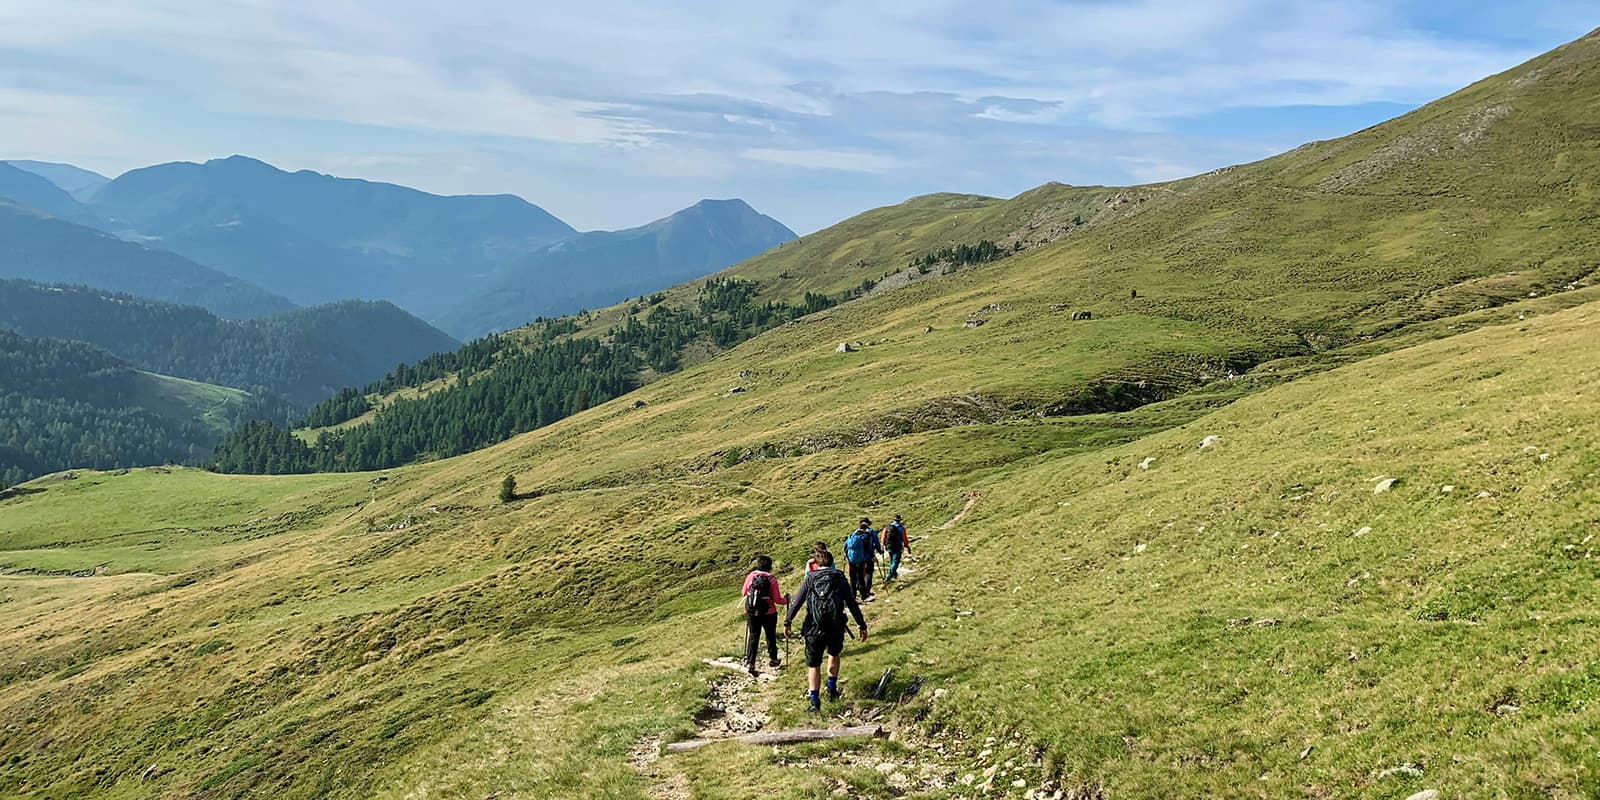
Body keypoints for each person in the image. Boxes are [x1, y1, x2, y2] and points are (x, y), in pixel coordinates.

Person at [784, 550, 867, 713]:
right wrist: (861, 625)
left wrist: (788, 621)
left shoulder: (810, 578)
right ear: (831, 562)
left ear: (816, 564)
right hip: (835, 626)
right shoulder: (839, 577)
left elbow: (797, 602)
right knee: (833, 655)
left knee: (813, 665)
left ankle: (814, 702)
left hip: (813, 627)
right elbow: (851, 603)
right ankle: (831, 689)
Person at [741, 555, 789, 676]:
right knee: (770, 636)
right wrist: (786, 600)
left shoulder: (751, 576)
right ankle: (773, 659)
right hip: (769, 613)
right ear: (770, 566)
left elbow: (743, 592)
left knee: (753, 636)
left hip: (752, 612)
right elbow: (777, 599)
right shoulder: (772, 579)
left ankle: (750, 662)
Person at [843, 518, 883, 601]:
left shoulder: (853, 535)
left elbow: (845, 546)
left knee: (853, 578)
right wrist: (877, 552)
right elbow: (872, 546)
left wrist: (848, 556)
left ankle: (853, 595)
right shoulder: (869, 534)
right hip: (864, 558)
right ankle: (864, 594)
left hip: (852, 560)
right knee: (865, 574)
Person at [881, 514, 911, 582]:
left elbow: (883, 537)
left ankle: (894, 575)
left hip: (889, 546)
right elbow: (904, 539)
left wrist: (883, 545)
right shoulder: (901, 528)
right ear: (900, 520)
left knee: (892, 560)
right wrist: (907, 546)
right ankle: (889, 576)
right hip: (897, 547)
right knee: (895, 561)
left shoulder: (887, 527)